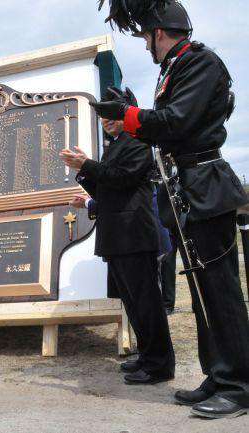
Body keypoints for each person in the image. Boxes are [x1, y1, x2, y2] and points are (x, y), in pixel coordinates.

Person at [92, 0, 249, 418]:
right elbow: (166, 120)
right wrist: (132, 110)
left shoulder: (200, 62)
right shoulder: (175, 67)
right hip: (188, 186)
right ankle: (219, 375)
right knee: (201, 292)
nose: (145, 44)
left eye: (145, 36)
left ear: (159, 33)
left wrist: (127, 117)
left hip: (205, 184)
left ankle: (239, 386)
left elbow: (177, 121)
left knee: (220, 290)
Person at [61, 92, 175, 386]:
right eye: (102, 116)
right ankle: (148, 356)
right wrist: (85, 177)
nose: (107, 121)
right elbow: (109, 192)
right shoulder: (117, 146)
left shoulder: (139, 142)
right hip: (119, 236)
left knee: (147, 302)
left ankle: (160, 365)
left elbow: (122, 179)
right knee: (133, 302)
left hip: (134, 235)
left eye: (113, 114)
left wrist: (86, 165)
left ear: (128, 114)